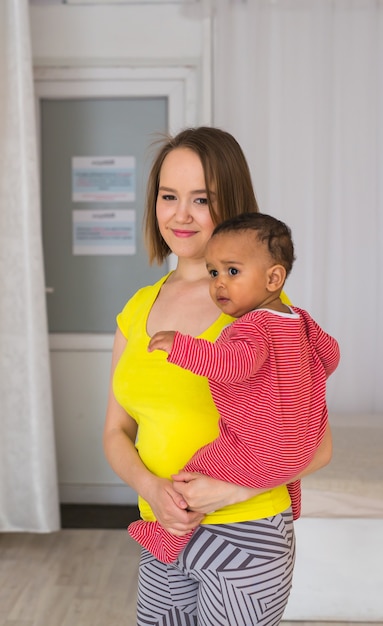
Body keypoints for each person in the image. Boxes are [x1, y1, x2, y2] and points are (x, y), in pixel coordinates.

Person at [103, 127, 334, 626]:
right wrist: (152, 488)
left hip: (245, 536)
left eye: (201, 199)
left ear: (230, 203)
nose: (180, 214)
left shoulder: (262, 314)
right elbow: (116, 432)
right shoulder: (137, 309)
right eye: (169, 196)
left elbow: (315, 446)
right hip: (163, 531)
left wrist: (229, 491)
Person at [128, 211, 340, 563]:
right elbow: (330, 354)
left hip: (260, 451)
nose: (219, 284)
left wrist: (180, 346)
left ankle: (167, 538)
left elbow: (233, 364)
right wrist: (302, 374)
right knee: (283, 468)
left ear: (274, 278)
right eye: (213, 272)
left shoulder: (250, 327)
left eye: (232, 271)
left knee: (192, 470)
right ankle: (293, 508)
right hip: (300, 450)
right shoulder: (300, 319)